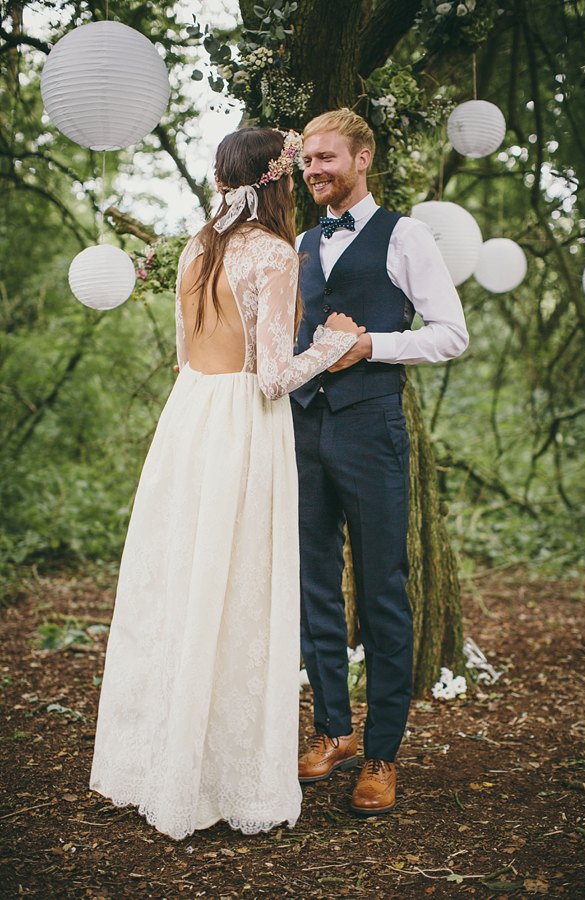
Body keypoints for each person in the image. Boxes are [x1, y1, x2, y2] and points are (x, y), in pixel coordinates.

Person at [89, 128, 363, 840]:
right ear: (273, 183)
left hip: (188, 423)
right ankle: (221, 775)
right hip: (242, 424)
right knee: (238, 587)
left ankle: (164, 764)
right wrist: (332, 344)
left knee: (187, 583)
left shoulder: (192, 249)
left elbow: (186, 357)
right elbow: (273, 375)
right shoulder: (274, 255)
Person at [291, 109, 469, 815]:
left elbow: (450, 334)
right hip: (304, 429)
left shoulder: (407, 235)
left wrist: (374, 347)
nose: (314, 171)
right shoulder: (303, 242)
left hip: (371, 428)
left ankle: (382, 753)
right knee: (314, 588)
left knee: (383, 589)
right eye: (307, 161)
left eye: (327, 158)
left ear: (363, 159)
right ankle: (332, 729)